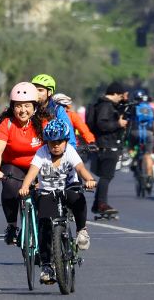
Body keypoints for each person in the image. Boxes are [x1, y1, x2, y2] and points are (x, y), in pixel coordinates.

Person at [18, 118, 97, 285]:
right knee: (45, 224)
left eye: (59, 141)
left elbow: (80, 168)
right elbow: (32, 172)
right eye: (52, 142)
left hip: (68, 188)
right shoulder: (42, 152)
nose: (55, 145)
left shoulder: (70, 151)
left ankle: (82, 230)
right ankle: (47, 266)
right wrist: (25, 187)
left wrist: (89, 179)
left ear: (66, 141)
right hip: (46, 192)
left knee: (78, 197)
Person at [0, 82, 47, 245]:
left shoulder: (43, 123)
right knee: (9, 188)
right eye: (18, 106)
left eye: (27, 106)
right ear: (12, 107)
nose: (23, 110)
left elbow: (53, 148)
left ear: (35, 106)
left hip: (38, 166)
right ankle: (12, 226)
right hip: (13, 166)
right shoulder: (6, 124)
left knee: (47, 196)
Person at [86, 82, 126, 216]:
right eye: (120, 96)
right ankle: (101, 204)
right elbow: (102, 124)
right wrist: (118, 123)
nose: (121, 99)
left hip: (105, 144)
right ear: (114, 94)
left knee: (106, 175)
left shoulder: (103, 104)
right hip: (107, 145)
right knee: (106, 176)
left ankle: (98, 205)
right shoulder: (106, 105)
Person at [31, 74, 76, 147]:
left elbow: (69, 133)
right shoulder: (28, 109)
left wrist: (71, 152)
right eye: (34, 90)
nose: (36, 93)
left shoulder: (57, 110)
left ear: (49, 92)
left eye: (40, 90)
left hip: (51, 152)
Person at [130, 89, 154, 191]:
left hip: (135, 132)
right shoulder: (150, 108)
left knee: (130, 145)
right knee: (148, 155)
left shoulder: (133, 108)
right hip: (149, 133)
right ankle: (148, 178)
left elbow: (128, 120)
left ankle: (133, 159)